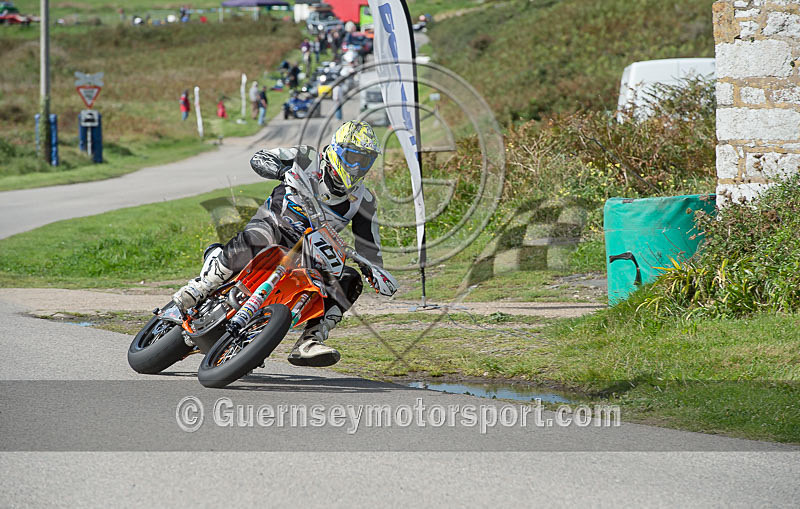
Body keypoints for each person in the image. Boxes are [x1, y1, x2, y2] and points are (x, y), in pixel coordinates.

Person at [173, 121, 394, 367]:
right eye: (353, 156)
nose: (356, 166)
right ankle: (202, 286)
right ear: (337, 149)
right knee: (261, 235)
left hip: (311, 251)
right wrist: (280, 170)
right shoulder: (307, 157)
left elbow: (369, 246)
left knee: (349, 279)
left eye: (365, 160)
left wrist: (376, 270)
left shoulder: (364, 199)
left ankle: (310, 340)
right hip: (276, 224)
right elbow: (260, 157)